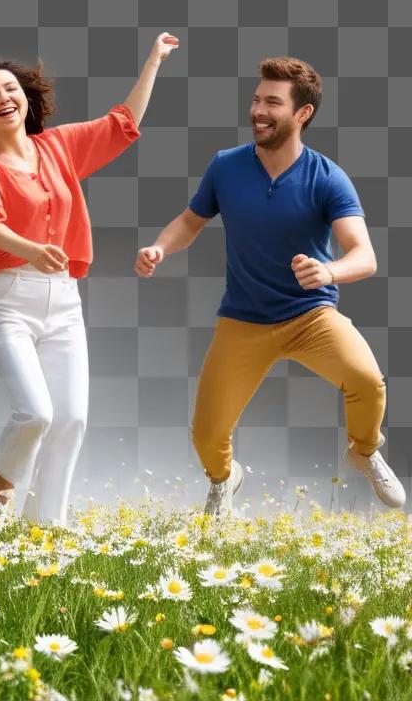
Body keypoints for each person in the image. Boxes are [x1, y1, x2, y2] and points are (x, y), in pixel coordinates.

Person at [136, 57, 404, 516]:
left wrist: (329, 272)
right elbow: (188, 222)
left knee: (366, 380)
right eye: (257, 99)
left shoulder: (328, 178)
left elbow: (364, 255)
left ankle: (363, 451)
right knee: (206, 434)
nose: (259, 110)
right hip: (243, 319)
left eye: (272, 103)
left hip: (310, 316)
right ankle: (224, 479)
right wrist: (160, 248)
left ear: (302, 114)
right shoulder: (226, 167)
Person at [0, 33, 179, 527]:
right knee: (36, 413)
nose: (4, 98)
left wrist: (153, 60)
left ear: (26, 100)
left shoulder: (59, 147)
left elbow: (122, 124)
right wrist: (32, 250)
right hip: (9, 301)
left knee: (71, 420)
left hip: (64, 301)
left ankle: (46, 529)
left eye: (11, 89)